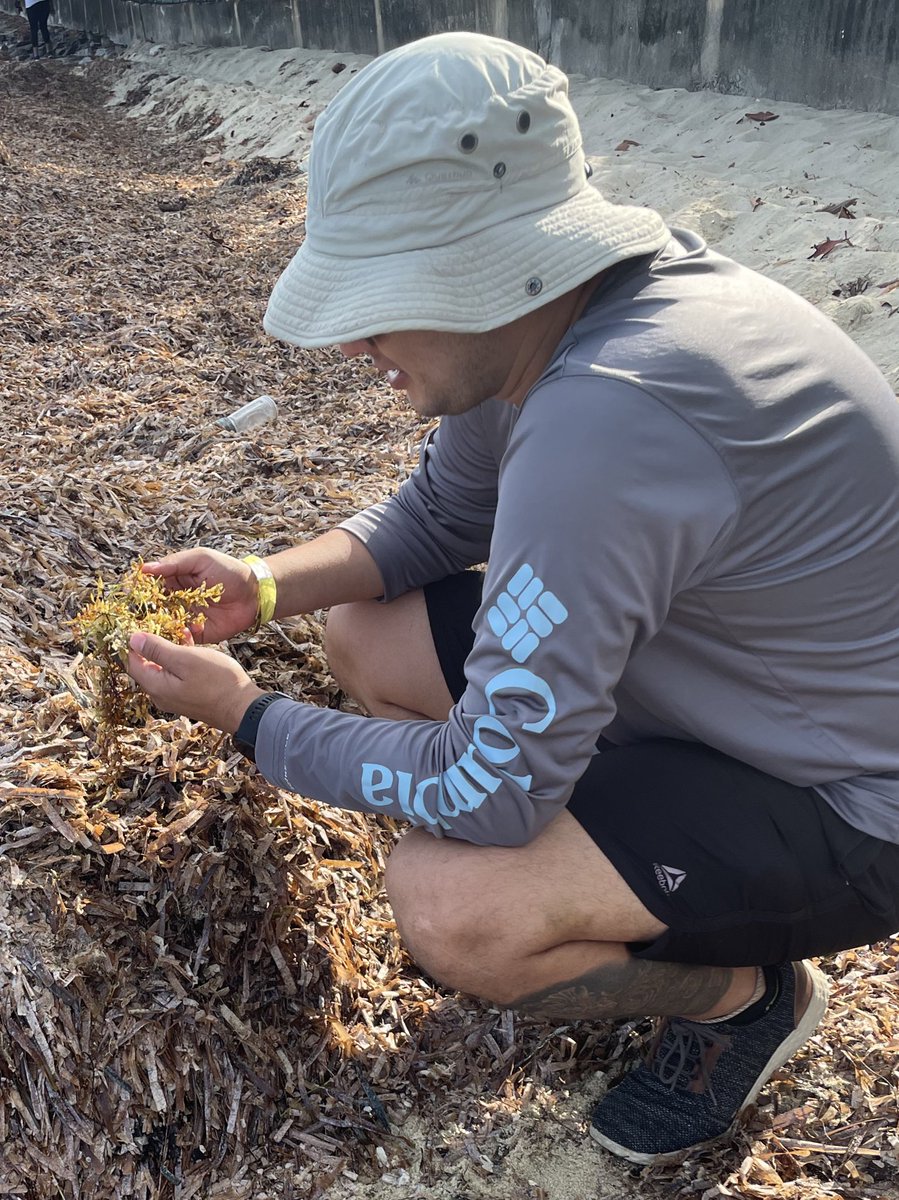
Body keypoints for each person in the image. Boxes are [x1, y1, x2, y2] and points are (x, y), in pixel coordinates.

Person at [126, 32, 899, 1164]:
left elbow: (489, 792)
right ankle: (589, 862)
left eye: (377, 300)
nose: (353, 340)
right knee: (364, 627)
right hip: (711, 693)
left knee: (450, 906)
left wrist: (250, 720)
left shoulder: (609, 418)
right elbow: (436, 522)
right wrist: (266, 582)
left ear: (477, 267)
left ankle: (740, 999)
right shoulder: (563, 319)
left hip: (839, 801)